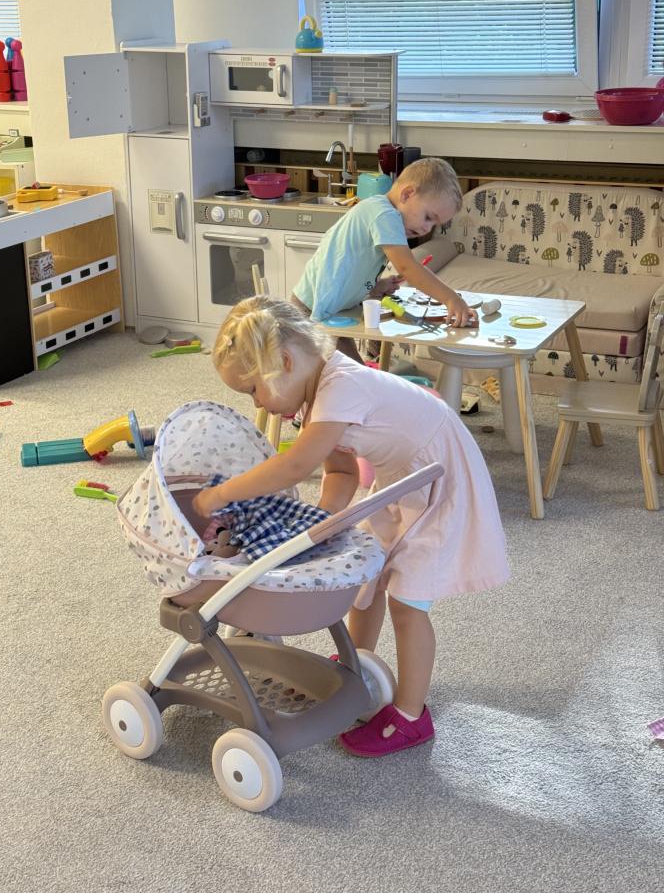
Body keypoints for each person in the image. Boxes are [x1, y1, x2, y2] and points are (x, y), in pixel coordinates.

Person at [192, 296, 509, 758]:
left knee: (408, 601)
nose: (256, 402)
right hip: (402, 479)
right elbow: (340, 471)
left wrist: (223, 493)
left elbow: (295, 465)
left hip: (441, 480)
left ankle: (411, 716)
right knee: (367, 578)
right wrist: (322, 524)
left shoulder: (342, 386)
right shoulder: (318, 397)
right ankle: (353, 671)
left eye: (253, 389)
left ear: (285, 363)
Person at [293, 157, 476, 362]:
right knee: (348, 375)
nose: (427, 228)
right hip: (311, 310)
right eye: (428, 217)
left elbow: (349, 266)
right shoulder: (384, 215)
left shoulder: (380, 211)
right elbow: (408, 267)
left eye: (434, 225)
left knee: (352, 372)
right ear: (407, 194)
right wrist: (451, 299)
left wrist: (376, 286)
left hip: (326, 309)